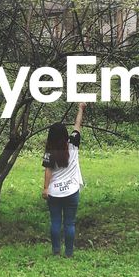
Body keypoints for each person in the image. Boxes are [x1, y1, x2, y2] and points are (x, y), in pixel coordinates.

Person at [42, 102, 85, 257]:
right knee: (69, 223)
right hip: (72, 191)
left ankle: (55, 251)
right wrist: (81, 108)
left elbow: (48, 170)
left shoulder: (49, 151)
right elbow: (77, 125)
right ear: (66, 134)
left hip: (54, 192)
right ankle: (69, 252)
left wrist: (46, 188)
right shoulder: (73, 143)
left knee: (55, 222)